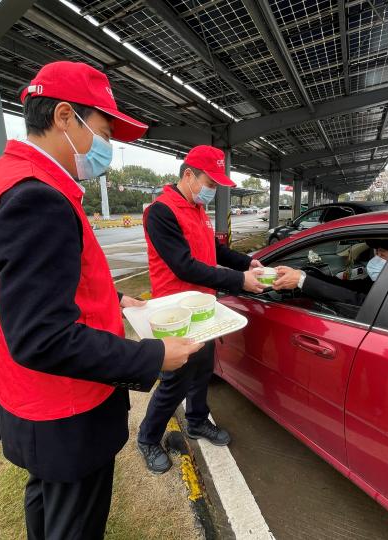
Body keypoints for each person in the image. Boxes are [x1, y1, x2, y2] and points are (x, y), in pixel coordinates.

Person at [0, 61, 202, 540]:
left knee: (49, 504)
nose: (106, 146)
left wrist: (114, 299)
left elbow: (40, 285)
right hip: (65, 409)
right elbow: (42, 336)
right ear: (62, 117)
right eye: (101, 130)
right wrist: (153, 354)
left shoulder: (9, 178)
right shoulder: (38, 198)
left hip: (33, 404)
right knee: (75, 523)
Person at [137, 145, 265, 473]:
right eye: (210, 183)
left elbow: (215, 252)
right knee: (175, 381)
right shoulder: (161, 212)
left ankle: (196, 421)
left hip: (204, 309)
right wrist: (240, 280)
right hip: (175, 313)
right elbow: (184, 267)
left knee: (203, 370)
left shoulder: (196, 209)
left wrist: (248, 262)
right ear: (189, 175)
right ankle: (148, 437)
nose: (213, 191)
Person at [272, 238, 388, 304]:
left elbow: (356, 299)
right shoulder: (382, 280)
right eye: (377, 253)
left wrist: (302, 282)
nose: (376, 258)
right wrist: (306, 275)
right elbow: (352, 287)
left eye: (382, 255)